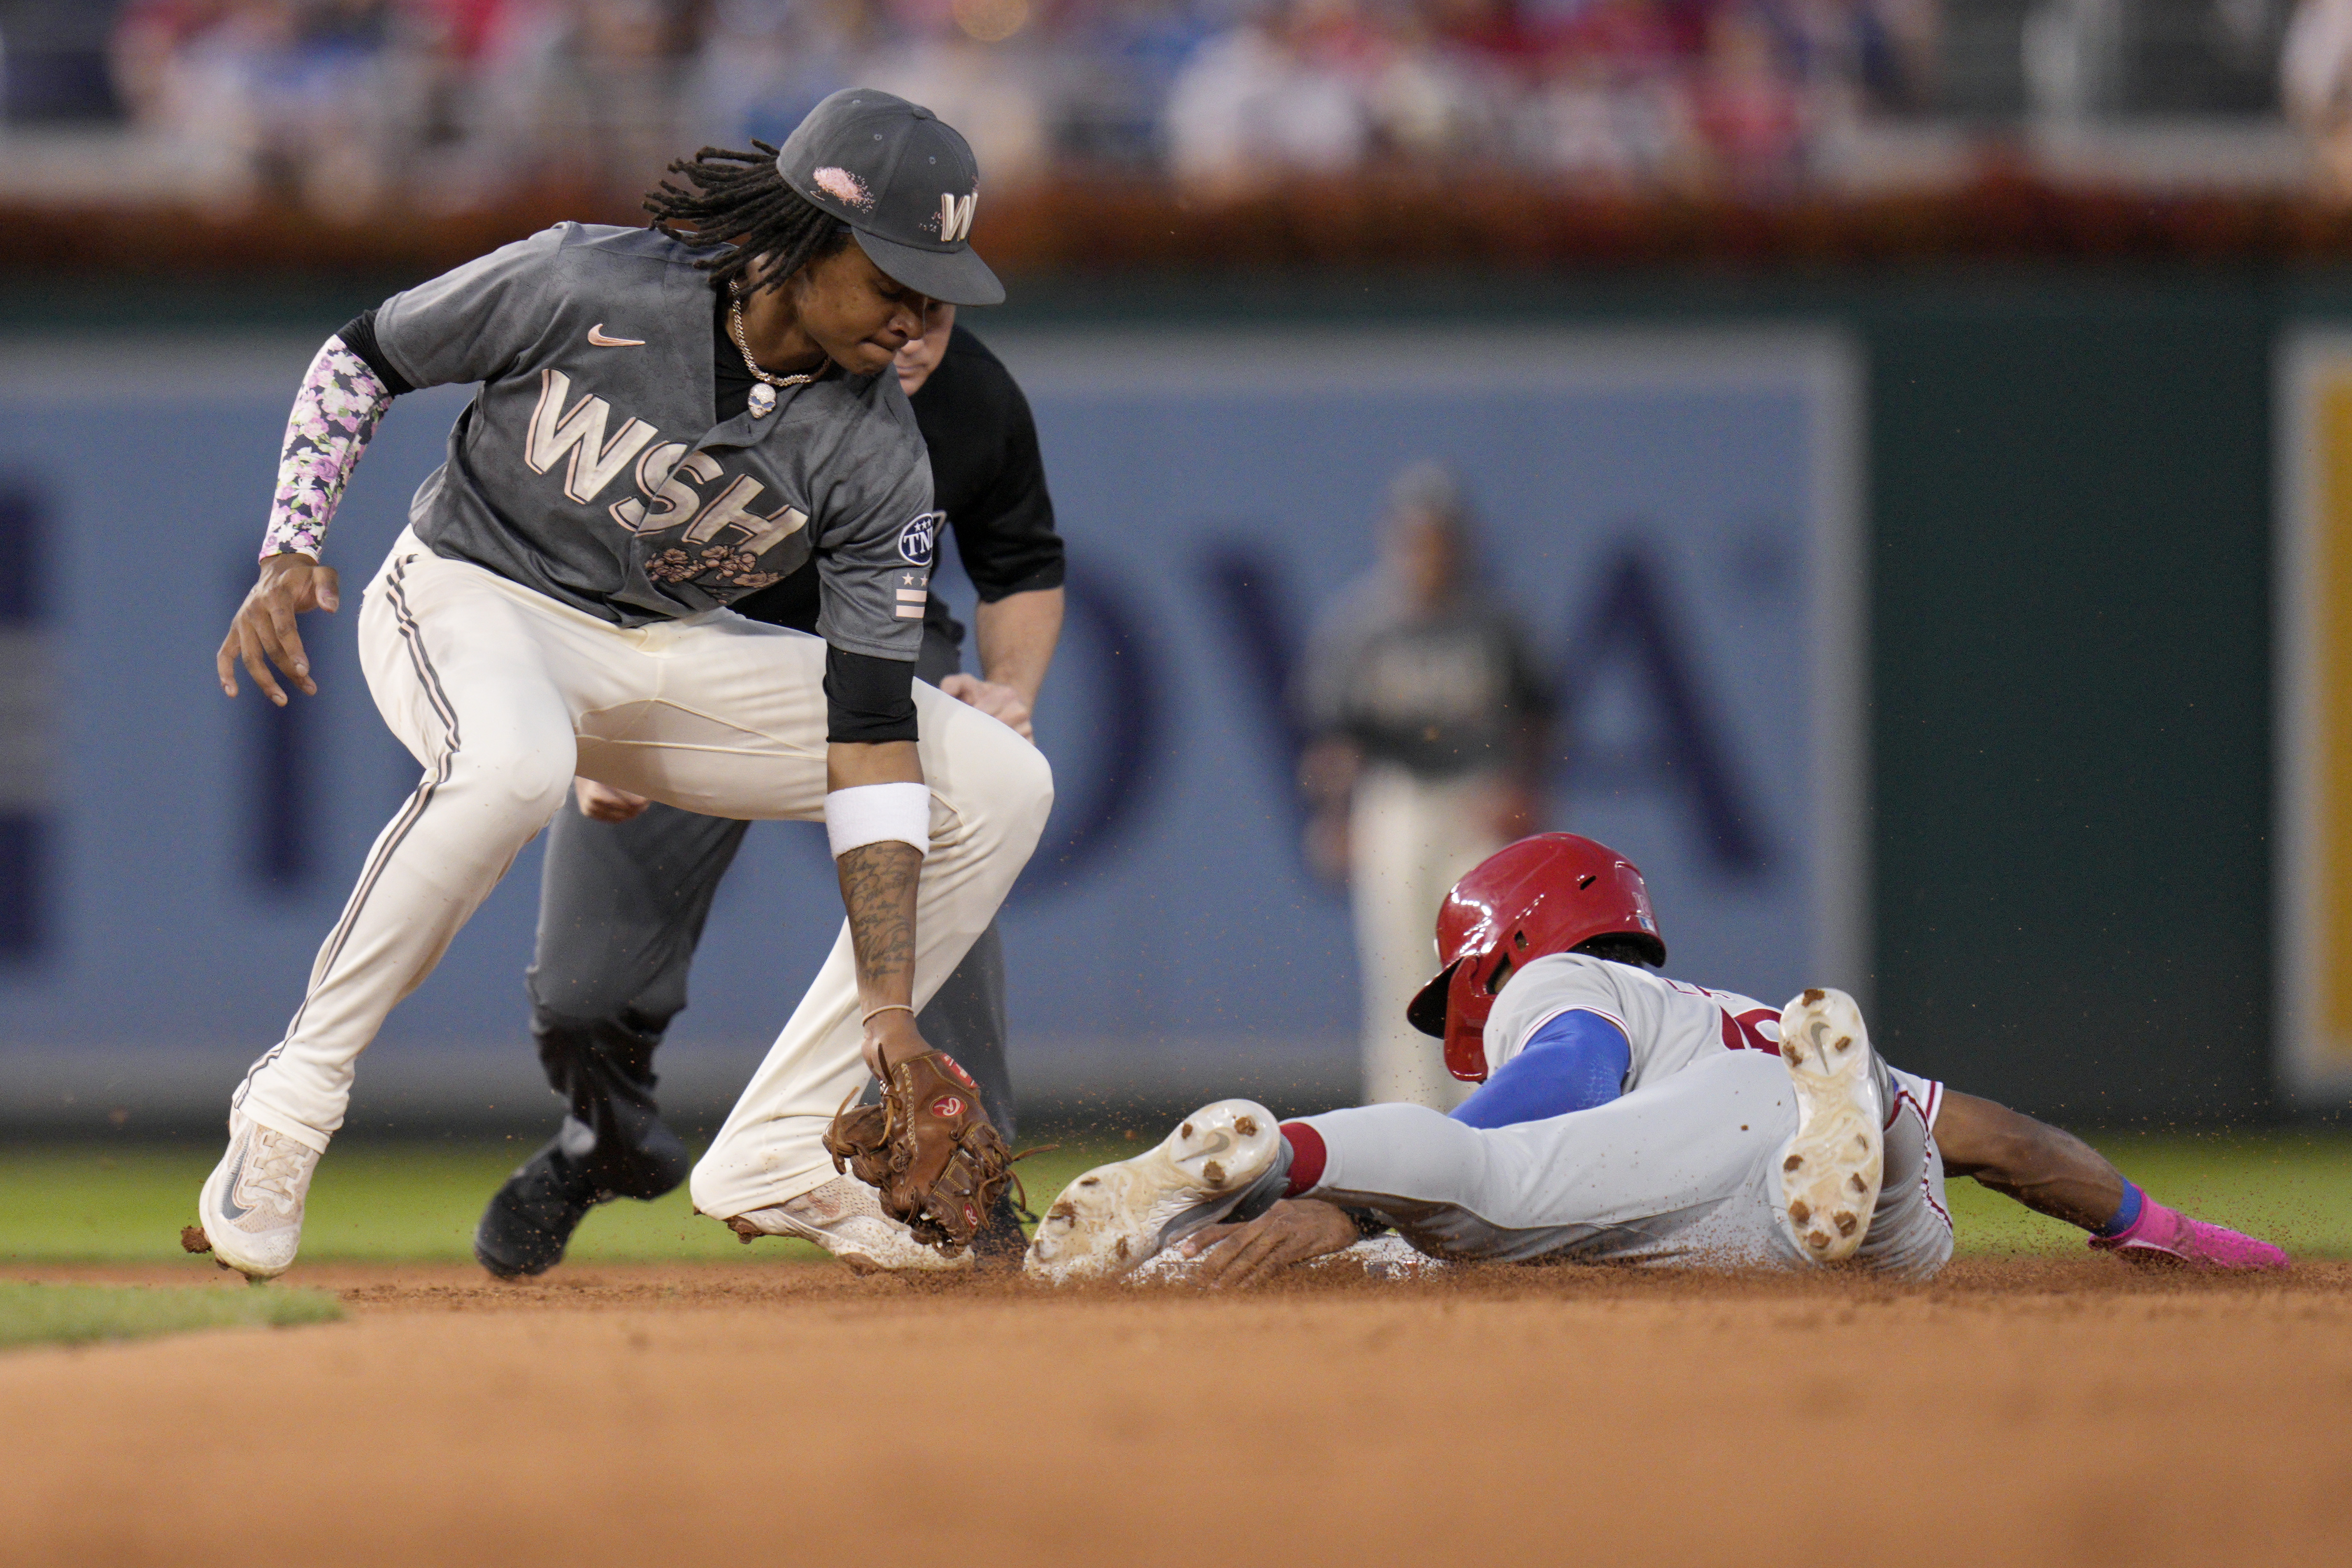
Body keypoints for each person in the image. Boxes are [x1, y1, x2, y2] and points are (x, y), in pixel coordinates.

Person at [191, 88, 1053, 1281]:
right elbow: (366, 357)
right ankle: (289, 1105)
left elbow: (863, 731)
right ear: (802, 236)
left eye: (937, 287)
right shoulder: (588, 282)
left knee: (1002, 781)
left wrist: (887, 1015)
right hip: (467, 593)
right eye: (895, 276)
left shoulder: (877, 453)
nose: (917, 316)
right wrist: (292, 544)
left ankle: (774, 1151)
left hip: (663, 650)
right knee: (515, 766)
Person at [476, 298, 1063, 1279]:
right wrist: (583, 726)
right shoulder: (699, 363)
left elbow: (1023, 563)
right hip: (675, 657)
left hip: (874, 654)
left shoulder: (971, 395)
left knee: (945, 848)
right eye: (893, 296)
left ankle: (974, 1187)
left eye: (939, 304)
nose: (915, 330)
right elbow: (561, 550)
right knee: (585, 996)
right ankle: (604, 1141)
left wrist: (1006, 691)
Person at [1024, 834, 2289, 1285]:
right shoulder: (1723, 1003)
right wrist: (2170, 1231)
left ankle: (1286, 1147)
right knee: (1894, 1241)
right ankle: (1842, 1117)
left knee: (1478, 1190)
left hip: (1713, 1134)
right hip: (1831, 1184)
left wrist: (1343, 1201)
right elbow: (2011, 1144)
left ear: (1504, 942)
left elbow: (1554, 1094)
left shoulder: (1560, 981)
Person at [1293, 460, 1548, 1110]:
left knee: (1486, 965)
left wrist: (1525, 788)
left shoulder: (1494, 621)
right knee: (1402, 972)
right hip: (1398, 797)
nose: (1429, 552)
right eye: (1418, 537)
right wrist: (1337, 815)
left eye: (1440, 537)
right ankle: (1405, 1119)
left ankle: (1492, 1111)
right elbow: (1336, 735)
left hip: (1476, 797)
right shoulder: (1365, 623)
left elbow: (1538, 714)